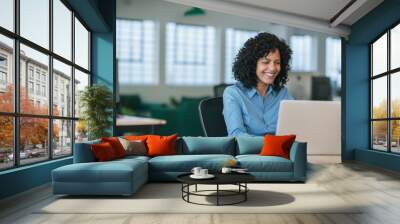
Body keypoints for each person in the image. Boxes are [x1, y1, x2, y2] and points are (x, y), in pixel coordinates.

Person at [223, 32, 293, 137]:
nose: (273, 68)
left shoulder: (283, 94)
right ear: (252, 65)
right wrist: (271, 142)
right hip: (250, 152)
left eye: (277, 62)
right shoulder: (233, 94)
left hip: (280, 152)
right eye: (265, 62)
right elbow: (236, 135)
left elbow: (296, 127)